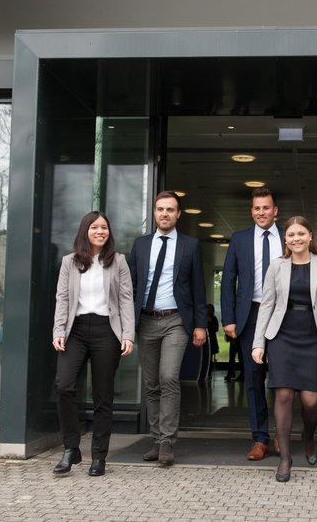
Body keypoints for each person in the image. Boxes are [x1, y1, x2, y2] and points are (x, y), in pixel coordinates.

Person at [252, 216, 317, 482]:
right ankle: (285, 458)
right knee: (283, 395)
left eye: (301, 233)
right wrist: (259, 343)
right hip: (282, 336)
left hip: (314, 336)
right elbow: (267, 305)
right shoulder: (276, 265)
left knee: (311, 401)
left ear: (310, 235)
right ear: (285, 239)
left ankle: (308, 436)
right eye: (291, 235)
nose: (296, 238)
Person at [51, 211, 135, 477]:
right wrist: (58, 330)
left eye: (104, 227)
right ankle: (71, 448)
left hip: (106, 331)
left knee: (103, 396)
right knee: (64, 386)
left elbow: (126, 299)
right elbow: (62, 298)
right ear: (85, 231)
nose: (100, 231)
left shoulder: (118, 261)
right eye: (95, 227)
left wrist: (128, 334)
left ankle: (99, 457)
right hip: (75, 330)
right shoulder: (70, 262)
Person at [128, 190, 207, 467]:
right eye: (160, 209)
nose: (164, 214)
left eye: (170, 209)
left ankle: (167, 443)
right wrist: (127, 322)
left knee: (169, 377)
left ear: (178, 214)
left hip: (176, 320)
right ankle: (156, 438)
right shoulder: (140, 245)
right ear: (154, 213)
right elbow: (131, 286)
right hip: (146, 321)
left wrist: (200, 324)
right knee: (151, 384)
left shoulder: (190, 245)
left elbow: (198, 287)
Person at [221, 187, 283, 461]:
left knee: (283, 380)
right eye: (257, 208)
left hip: (283, 317)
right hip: (251, 316)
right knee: (253, 380)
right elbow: (228, 279)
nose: (261, 212)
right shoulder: (240, 239)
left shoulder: (289, 236)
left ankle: (281, 435)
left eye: (266, 207)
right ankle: (260, 438)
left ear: (275, 210)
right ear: (251, 211)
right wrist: (229, 318)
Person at [206, 304, 220, 375]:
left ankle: (209, 371)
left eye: (211, 309)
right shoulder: (204, 318)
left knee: (210, 355)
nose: (209, 310)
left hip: (212, 339)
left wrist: (211, 322)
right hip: (206, 338)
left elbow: (216, 328)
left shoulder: (214, 318)